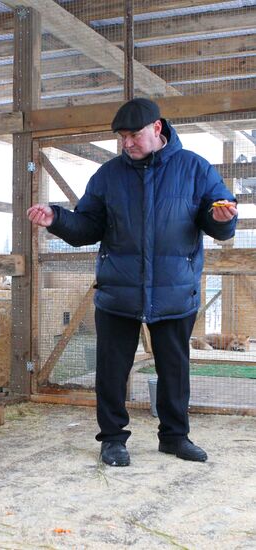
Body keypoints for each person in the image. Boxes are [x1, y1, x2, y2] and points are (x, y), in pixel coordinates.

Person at [27, 98, 237, 466]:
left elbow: (219, 222)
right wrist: (57, 219)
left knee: (174, 369)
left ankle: (175, 437)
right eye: (122, 137)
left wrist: (222, 218)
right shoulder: (109, 176)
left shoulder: (195, 169)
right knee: (111, 370)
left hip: (174, 291)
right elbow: (87, 227)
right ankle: (112, 439)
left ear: (157, 129)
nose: (127, 143)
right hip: (118, 292)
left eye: (134, 135)